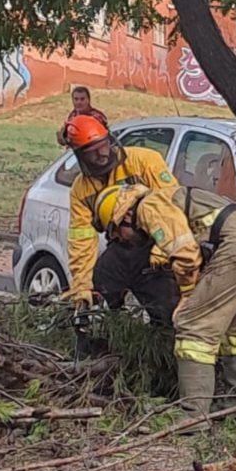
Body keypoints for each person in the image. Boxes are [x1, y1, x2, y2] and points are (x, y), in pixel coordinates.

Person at [93, 183, 236, 431]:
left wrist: (186, 295)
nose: (119, 240)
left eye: (116, 232)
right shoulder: (168, 198)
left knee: (193, 325)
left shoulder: (149, 207)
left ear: (125, 215)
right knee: (235, 328)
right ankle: (235, 402)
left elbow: (184, 253)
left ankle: (193, 415)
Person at [62, 115, 180, 329]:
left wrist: (164, 249)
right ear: (80, 156)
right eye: (92, 151)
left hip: (154, 246)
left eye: (103, 146)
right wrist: (82, 286)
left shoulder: (144, 161)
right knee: (101, 284)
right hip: (121, 248)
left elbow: (172, 205)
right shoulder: (81, 189)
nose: (102, 154)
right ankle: (106, 338)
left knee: (166, 306)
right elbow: (82, 241)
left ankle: (162, 342)